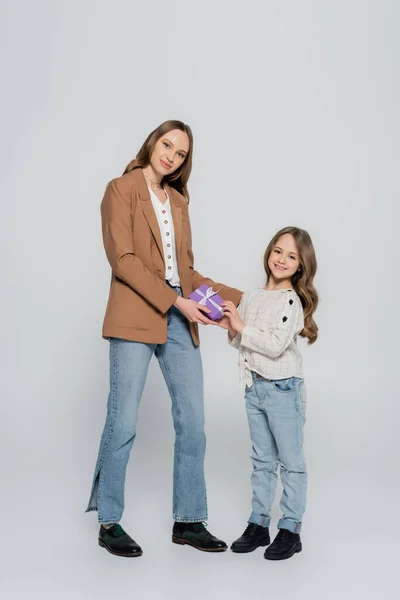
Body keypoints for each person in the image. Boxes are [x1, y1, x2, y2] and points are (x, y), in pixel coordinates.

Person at [86, 120, 242, 557]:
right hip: (138, 314)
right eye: (167, 144)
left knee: (193, 423)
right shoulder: (120, 189)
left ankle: (189, 521)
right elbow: (124, 260)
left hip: (179, 318)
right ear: (152, 142)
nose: (171, 155)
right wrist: (176, 302)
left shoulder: (177, 200)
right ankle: (109, 521)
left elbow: (186, 274)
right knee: (124, 422)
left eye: (180, 153)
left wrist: (242, 303)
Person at [218, 227, 318, 560]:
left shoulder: (292, 300)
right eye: (278, 251)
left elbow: (274, 345)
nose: (282, 259)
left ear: (301, 265)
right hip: (254, 387)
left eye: (292, 256)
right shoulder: (251, 296)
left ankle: (290, 528)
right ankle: (259, 524)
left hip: (283, 388)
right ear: (269, 252)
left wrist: (243, 328)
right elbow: (241, 342)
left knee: (291, 462)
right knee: (261, 460)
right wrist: (230, 326)